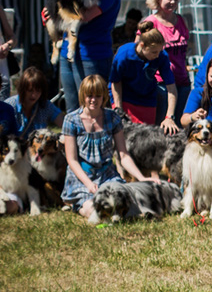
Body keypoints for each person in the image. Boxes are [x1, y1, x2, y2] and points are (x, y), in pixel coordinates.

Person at [62, 74, 157, 221]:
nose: (93, 100)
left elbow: (123, 155)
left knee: (127, 202)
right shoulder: (71, 120)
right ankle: (78, 205)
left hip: (107, 175)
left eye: (98, 96)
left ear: (104, 97)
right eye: (89, 96)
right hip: (82, 178)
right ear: (83, 96)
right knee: (95, 210)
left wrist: (141, 178)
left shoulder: (113, 117)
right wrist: (89, 185)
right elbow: (72, 160)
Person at [46, 0, 121, 111]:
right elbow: (65, 2)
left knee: (91, 109)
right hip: (68, 52)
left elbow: (84, 16)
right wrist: (54, 9)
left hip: (92, 55)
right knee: (72, 109)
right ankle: (74, 138)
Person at [110, 21, 178, 133]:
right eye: (154, 52)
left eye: (159, 51)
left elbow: (171, 88)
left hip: (146, 97)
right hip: (125, 96)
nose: (157, 56)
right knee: (125, 134)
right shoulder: (124, 55)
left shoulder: (161, 56)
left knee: (145, 136)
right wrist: (118, 109)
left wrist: (169, 117)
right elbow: (115, 82)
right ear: (142, 46)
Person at [144, 0, 190, 122]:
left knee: (179, 125)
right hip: (160, 83)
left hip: (182, 81)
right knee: (162, 126)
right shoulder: (151, 22)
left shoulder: (182, 20)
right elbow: (140, 52)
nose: (172, 2)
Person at [6, 67, 64, 136]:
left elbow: (65, 124)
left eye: (38, 91)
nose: (34, 95)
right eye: (30, 90)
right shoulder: (9, 106)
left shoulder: (45, 105)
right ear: (22, 89)